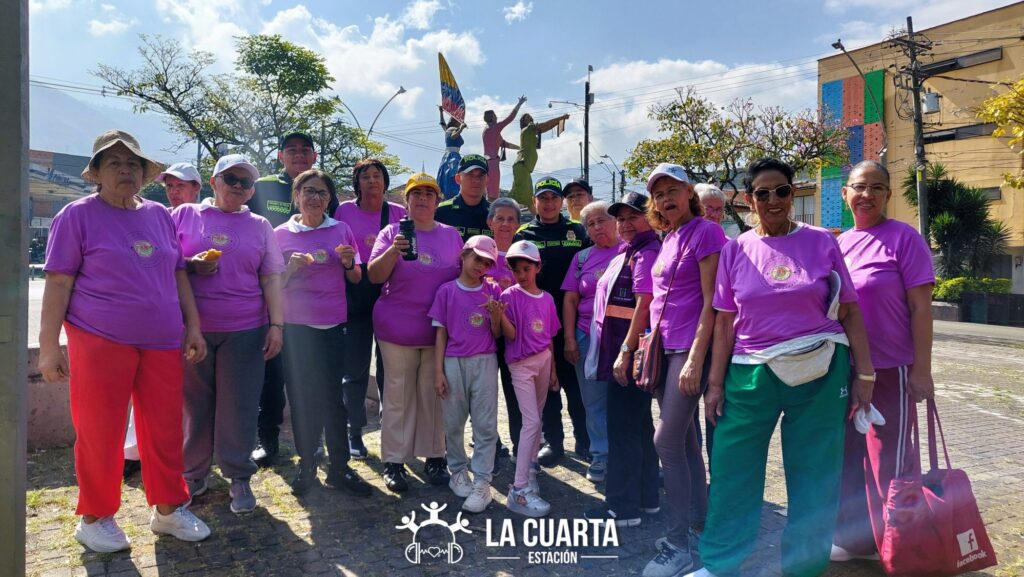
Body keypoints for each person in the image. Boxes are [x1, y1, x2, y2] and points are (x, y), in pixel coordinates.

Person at [684, 158, 874, 577]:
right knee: (733, 469)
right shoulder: (735, 249)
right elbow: (724, 320)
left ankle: (804, 567)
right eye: (762, 193)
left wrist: (864, 375)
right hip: (750, 371)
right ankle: (720, 564)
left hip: (821, 369)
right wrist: (715, 385)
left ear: (792, 193)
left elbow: (851, 312)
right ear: (750, 199)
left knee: (814, 474)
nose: (773, 199)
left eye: (782, 190)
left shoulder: (824, 241)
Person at [39, 129, 211, 553]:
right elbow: (59, 283)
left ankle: (168, 510)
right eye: (113, 163)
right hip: (100, 339)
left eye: (132, 163)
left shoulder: (158, 215)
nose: (125, 170)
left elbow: (177, 273)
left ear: (144, 173)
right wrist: (48, 348)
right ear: (96, 172)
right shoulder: (76, 216)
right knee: (100, 430)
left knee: (165, 428)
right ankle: (94, 517)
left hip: (161, 341)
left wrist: (193, 326)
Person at [832, 160, 936, 562]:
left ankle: (898, 544)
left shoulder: (904, 239)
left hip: (893, 369)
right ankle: (858, 541)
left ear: (889, 195)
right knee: (849, 457)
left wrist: (922, 370)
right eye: (859, 186)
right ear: (845, 194)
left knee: (887, 461)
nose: (867, 195)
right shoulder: (839, 244)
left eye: (877, 187)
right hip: (848, 368)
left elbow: (921, 309)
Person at [173, 154, 285, 514]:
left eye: (245, 182)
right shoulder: (184, 215)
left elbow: (271, 278)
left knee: (239, 405)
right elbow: (166, 264)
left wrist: (277, 325)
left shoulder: (260, 225)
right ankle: (192, 476)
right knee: (195, 406)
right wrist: (193, 265)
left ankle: (238, 476)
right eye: (231, 179)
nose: (238, 187)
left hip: (246, 329)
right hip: (193, 329)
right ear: (214, 180)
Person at [639, 166, 726, 577]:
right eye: (658, 194)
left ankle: (678, 547)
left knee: (667, 442)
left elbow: (713, 301)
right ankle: (699, 522)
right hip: (665, 348)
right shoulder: (669, 236)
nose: (666, 198)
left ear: (689, 192)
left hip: (689, 351)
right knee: (686, 443)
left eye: (673, 189)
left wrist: (696, 358)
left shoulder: (706, 232)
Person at [275, 169, 373, 498]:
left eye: (322, 193)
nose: (315, 198)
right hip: (297, 328)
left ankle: (339, 467)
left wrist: (348, 264)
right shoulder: (280, 234)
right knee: (303, 399)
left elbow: (357, 277)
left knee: (334, 399)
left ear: (329, 199)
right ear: (296, 195)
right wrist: (290, 269)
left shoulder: (341, 229)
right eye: (309, 191)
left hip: (334, 324)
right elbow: (272, 285)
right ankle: (307, 463)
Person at [368, 173, 463, 492]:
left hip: (437, 331)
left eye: (429, 193)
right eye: (415, 194)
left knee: (434, 395)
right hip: (396, 328)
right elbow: (374, 276)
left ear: (437, 201)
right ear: (406, 201)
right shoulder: (391, 232)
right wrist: (394, 251)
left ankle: (435, 456)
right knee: (397, 394)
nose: (422, 199)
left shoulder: (452, 236)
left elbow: (464, 280)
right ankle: (394, 461)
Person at [584, 192, 662, 529]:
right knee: (640, 428)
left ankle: (622, 508)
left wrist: (626, 352)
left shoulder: (645, 253)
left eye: (634, 216)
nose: (626, 224)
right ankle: (647, 500)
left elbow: (644, 303)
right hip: (628, 353)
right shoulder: (633, 251)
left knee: (623, 432)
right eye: (621, 218)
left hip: (629, 355)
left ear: (650, 216)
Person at [251, 130, 323, 468]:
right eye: (291, 150)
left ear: (313, 156)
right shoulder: (263, 185)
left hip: (310, 301)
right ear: (281, 156)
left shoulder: (322, 188)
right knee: (271, 374)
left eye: (304, 150)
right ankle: (267, 441)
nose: (298, 155)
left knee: (307, 375)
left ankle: (311, 442)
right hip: (268, 293)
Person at [335, 159, 406, 459]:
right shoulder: (345, 211)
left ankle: (391, 429)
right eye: (366, 176)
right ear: (357, 183)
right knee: (355, 369)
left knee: (390, 368)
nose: (372, 181)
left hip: (391, 295)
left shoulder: (399, 213)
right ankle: (355, 432)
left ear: (386, 182)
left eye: (377, 176)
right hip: (355, 295)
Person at [516, 177, 590, 467]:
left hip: (573, 319)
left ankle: (585, 440)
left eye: (554, 198)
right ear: (535, 201)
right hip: (537, 322)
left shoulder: (577, 230)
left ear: (561, 202)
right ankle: (553, 442)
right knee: (547, 385)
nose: (548, 203)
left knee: (576, 385)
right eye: (542, 198)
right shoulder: (525, 233)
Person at [430, 235, 503, 513]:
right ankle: (458, 470)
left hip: (485, 361)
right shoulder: (447, 291)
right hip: (453, 361)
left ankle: (483, 480)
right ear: (464, 255)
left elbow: (496, 334)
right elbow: (441, 333)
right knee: (453, 421)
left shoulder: (492, 291)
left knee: (485, 424)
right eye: (476, 259)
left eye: (486, 263)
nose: (480, 266)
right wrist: (438, 371)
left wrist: (496, 316)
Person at [561, 200, 624, 482]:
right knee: (593, 400)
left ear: (615, 222)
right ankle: (600, 455)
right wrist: (570, 338)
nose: (597, 227)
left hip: (625, 336)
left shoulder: (631, 251)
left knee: (626, 400)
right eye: (591, 224)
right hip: (588, 337)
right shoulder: (582, 258)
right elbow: (571, 299)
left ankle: (631, 454)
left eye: (602, 220)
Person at [499, 240, 561, 517]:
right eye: (516, 270)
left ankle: (531, 469)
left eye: (527, 268)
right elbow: (509, 336)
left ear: (537, 267)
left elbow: (548, 337)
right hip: (521, 365)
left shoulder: (547, 299)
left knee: (536, 418)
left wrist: (554, 372)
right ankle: (519, 489)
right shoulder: (509, 296)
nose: (522, 275)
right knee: (532, 422)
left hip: (543, 362)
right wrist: (497, 316)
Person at [487, 198, 525, 462]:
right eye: (500, 218)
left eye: (511, 219)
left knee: (516, 393)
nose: (505, 223)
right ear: (490, 222)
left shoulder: (523, 255)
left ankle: (520, 444)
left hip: (515, 335)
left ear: (518, 225)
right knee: (485, 394)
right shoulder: (479, 252)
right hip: (484, 335)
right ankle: (491, 442)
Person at [509, 113, 571, 209]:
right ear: (523, 122)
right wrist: (560, 117)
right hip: (522, 164)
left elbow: (546, 127)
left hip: (525, 166)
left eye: (530, 117)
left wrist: (558, 121)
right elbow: (545, 125)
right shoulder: (528, 129)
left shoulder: (531, 131)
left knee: (528, 197)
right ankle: (501, 209)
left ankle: (538, 219)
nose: (529, 118)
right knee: (518, 195)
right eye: (526, 118)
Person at [435, 154, 493, 241]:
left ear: (487, 180)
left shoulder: (495, 214)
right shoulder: (441, 211)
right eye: (470, 174)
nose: (476, 180)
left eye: (481, 176)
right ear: (458, 178)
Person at [482, 96, 527, 201]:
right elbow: (510, 118)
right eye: (495, 115)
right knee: (493, 195)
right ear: (492, 117)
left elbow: (505, 144)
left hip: (486, 163)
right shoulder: (495, 128)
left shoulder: (487, 131)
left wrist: (520, 148)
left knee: (488, 192)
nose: (497, 117)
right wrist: (520, 103)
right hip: (493, 164)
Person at [437, 109, 467, 200]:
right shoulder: (453, 129)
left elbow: (442, 123)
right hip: (453, 157)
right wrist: (461, 128)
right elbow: (453, 136)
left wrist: (441, 112)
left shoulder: (447, 129)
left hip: (447, 156)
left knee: (449, 177)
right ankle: (454, 195)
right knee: (454, 176)